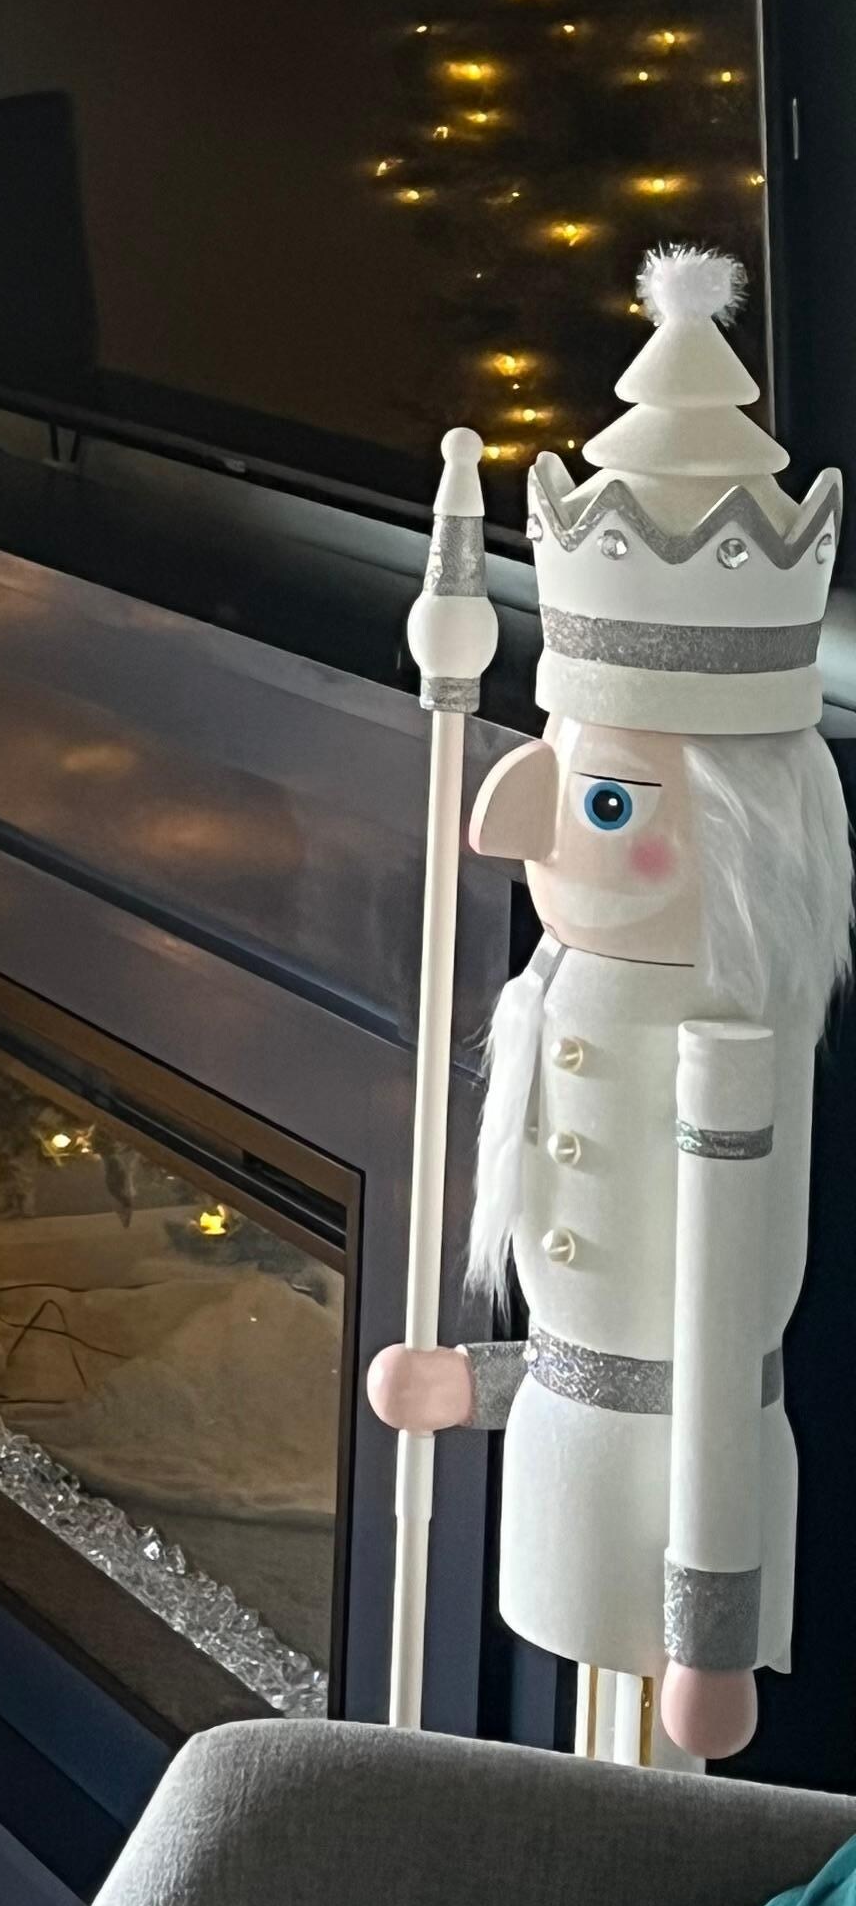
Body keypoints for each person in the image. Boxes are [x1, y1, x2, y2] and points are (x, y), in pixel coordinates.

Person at [368, 250, 851, 1762]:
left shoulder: (729, 1056)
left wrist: (714, 1620)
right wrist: (483, 1381)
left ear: (738, 832)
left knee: (643, 1795)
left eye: (605, 797)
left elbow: (706, 1365)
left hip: (675, 1512)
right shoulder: (558, 988)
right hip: (567, 1471)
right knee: (572, 1770)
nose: (519, 820)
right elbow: (593, 1308)